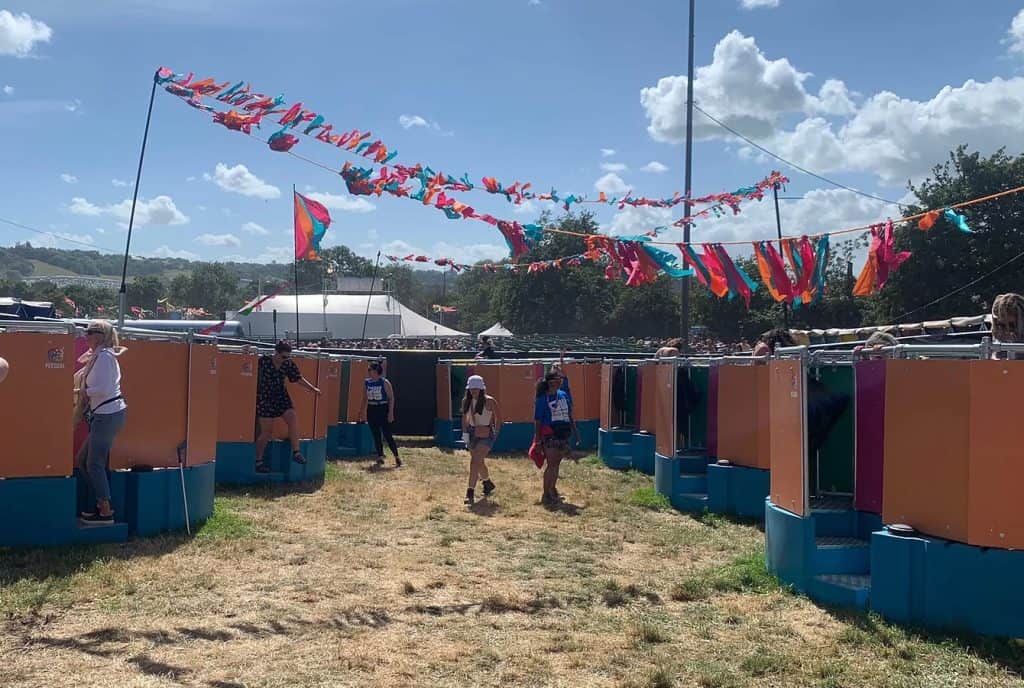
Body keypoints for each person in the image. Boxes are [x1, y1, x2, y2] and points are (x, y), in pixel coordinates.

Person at [74, 320, 128, 525]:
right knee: (82, 460)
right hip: (104, 415)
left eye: (90, 333)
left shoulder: (104, 358)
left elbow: (103, 389)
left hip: (107, 415)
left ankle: (105, 512)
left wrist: (82, 393)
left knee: (94, 464)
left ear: (100, 335)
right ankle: (101, 503)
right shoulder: (99, 356)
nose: (86, 336)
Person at [254, 340, 321, 473]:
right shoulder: (263, 362)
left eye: (288, 357)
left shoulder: (288, 363)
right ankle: (258, 461)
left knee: (293, 418)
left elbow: (297, 378)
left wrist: (313, 388)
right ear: (276, 353)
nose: (286, 359)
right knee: (267, 432)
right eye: (284, 356)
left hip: (281, 396)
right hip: (265, 398)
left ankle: (296, 452)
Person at [534, 371, 580, 506]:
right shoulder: (543, 398)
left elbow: (569, 414)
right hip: (550, 434)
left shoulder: (564, 395)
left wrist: (575, 432)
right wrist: (537, 440)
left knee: (556, 464)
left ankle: (552, 488)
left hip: (563, 433)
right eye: (558, 378)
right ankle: (546, 493)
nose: (560, 381)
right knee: (552, 464)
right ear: (551, 381)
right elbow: (537, 420)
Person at [461, 375, 500, 505]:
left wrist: (495, 433)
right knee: (479, 461)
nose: (473, 391)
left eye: (476, 389)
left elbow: (499, 418)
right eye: (471, 389)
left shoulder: (490, 401)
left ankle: (470, 492)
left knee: (474, 462)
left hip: (486, 433)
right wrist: (465, 435)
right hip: (472, 433)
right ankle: (487, 482)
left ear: (481, 389)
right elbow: (464, 419)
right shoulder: (466, 401)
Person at [360, 361, 402, 467]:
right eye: (369, 370)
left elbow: (391, 398)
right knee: (376, 435)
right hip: (371, 409)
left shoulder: (384, 382)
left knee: (388, 435)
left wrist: (391, 413)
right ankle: (380, 456)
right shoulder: (367, 382)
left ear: (376, 371)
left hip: (382, 408)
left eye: (371, 370)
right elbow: (364, 398)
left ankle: (397, 456)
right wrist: (362, 411)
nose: (370, 372)